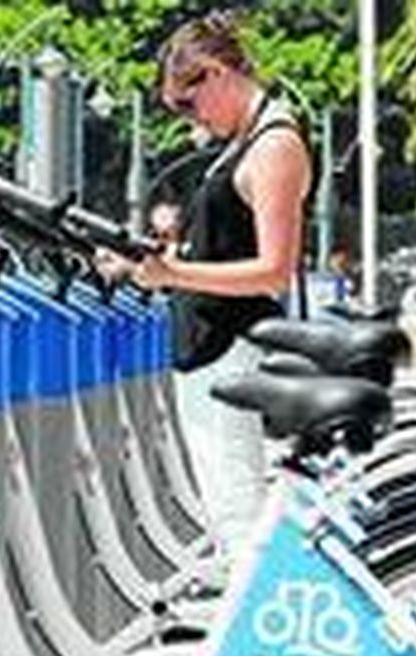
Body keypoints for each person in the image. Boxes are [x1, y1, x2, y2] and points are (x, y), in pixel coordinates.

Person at [98, 11, 313, 551]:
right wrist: (148, 263)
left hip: (232, 347)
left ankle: (259, 631)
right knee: (229, 509)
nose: (190, 120)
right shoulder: (245, 142)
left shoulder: (274, 146)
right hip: (212, 347)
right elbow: (222, 247)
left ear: (216, 72)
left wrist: (172, 272)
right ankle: (254, 624)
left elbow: (274, 268)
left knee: (238, 511)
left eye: (188, 104)